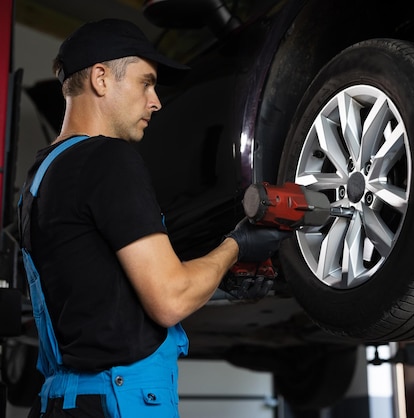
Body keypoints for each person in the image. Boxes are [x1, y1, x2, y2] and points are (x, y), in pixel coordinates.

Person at [18, 18, 288, 418]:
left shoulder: (40, 178)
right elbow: (170, 298)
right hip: (119, 402)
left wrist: (212, 278)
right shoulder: (108, 159)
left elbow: (104, 298)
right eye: (146, 82)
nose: (156, 101)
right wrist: (236, 246)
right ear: (101, 79)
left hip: (62, 402)